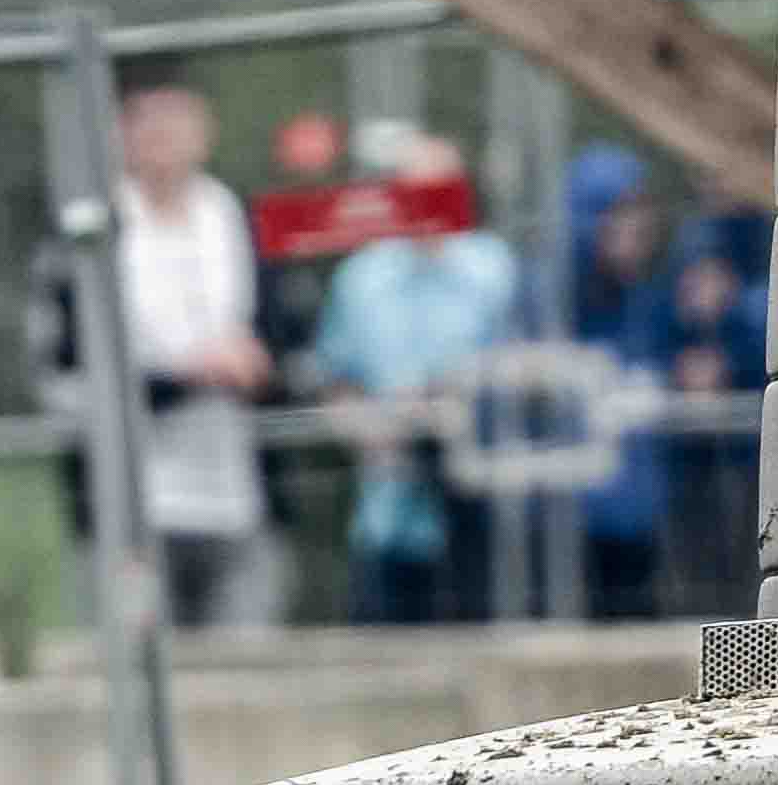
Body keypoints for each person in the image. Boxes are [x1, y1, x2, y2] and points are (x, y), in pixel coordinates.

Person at [37, 74, 283, 632]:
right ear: (121, 133)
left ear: (205, 132)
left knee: (245, 655)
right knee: (136, 650)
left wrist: (258, 364)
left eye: (177, 122)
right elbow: (63, 374)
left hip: (238, 490)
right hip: (128, 504)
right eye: (149, 123)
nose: (164, 137)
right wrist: (184, 377)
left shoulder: (241, 221)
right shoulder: (85, 233)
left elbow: (288, 344)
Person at [306, 130, 518, 625]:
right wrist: (370, 432)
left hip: (482, 512)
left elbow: (524, 373)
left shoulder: (496, 271)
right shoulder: (361, 279)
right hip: (388, 514)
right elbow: (336, 382)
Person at [552, 146, 700, 625]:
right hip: (564, 538)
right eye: (619, 212)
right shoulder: (546, 306)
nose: (639, 227)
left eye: (642, 210)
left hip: (644, 533)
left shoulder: (652, 304)